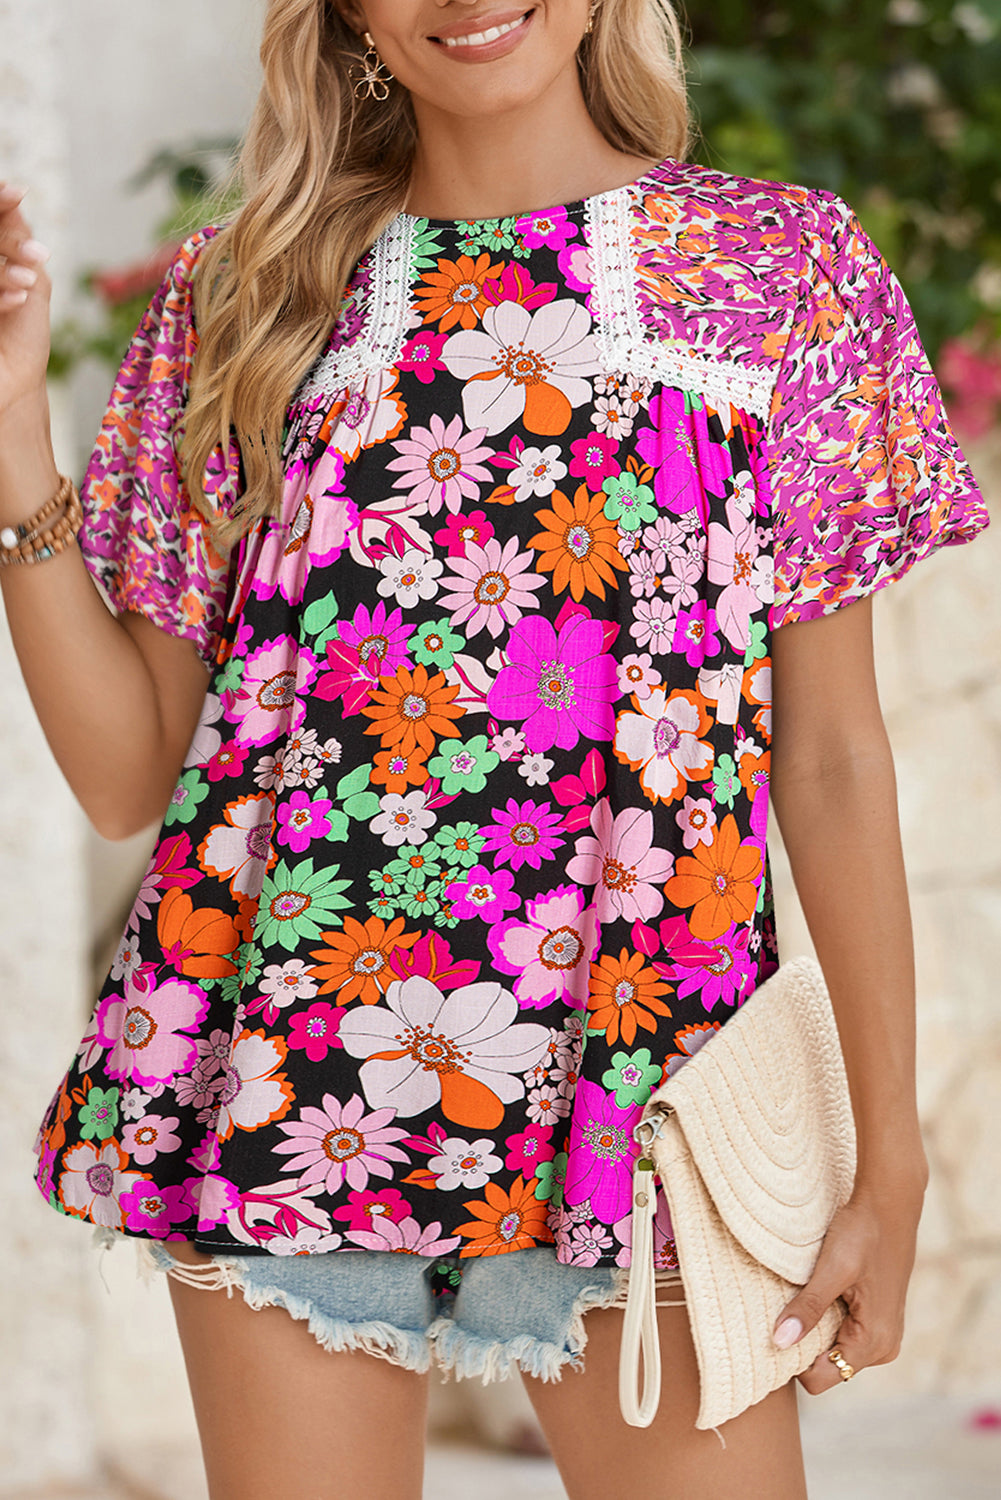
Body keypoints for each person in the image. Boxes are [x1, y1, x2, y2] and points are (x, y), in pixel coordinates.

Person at [0, 1, 989, 1496]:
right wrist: (13, 432)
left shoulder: (775, 263)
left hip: (640, 1096)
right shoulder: (243, 294)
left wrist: (889, 1161)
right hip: (284, 1078)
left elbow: (834, 756)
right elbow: (128, 774)